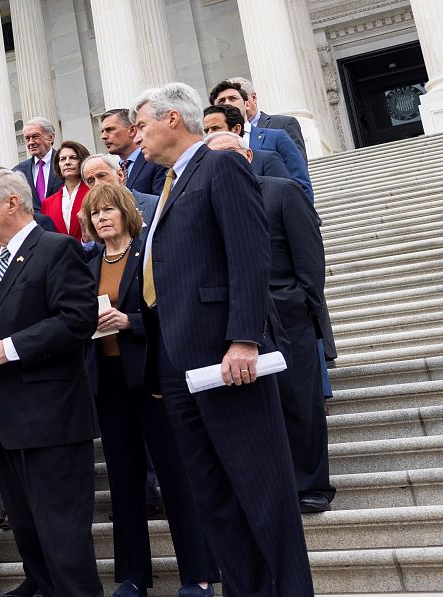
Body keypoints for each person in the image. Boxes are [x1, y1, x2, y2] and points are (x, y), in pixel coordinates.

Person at [134, 83, 314, 595]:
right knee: (212, 494)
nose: (136, 136)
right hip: (179, 361)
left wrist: (244, 338)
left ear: (172, 119)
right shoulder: (171, 181)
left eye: (142, 124)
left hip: (226, 354)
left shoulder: (220, 166)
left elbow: (248, 254)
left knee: (261, 490)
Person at [0, 170, 101, 597]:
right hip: (9, 425)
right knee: (30, 540)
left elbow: (79, 320)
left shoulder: (56, 249)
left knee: (64, 542)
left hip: (52, 423)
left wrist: (10, 348)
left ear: (12, 203)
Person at [79, 184, 218, 597]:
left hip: (154, 378)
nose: (102, 217)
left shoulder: (150, 254)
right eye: (95, 212)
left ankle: (198, 573)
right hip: (109, 382)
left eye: (109, 210)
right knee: (123, 482)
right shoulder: (88, 266)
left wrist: (131, 323)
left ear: (126, 212)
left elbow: (172, 311)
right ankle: (132, 576)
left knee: (176, 478)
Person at [205, 131, 334, 513]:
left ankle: (311, 485)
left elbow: (311, 263)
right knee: (259, 410)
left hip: (287, 314)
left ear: (247, 155)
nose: (223, 164)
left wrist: (298, 304)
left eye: (229, 155)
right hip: (235, 319)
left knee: (300, 404)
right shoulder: (210, 203)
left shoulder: (281, 192)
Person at [204, 101, 312, 200]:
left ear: (236, 129)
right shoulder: (206, 169)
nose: (210, 134)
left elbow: (286, 197)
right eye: (206, 130)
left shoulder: (267, 159)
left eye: (215, 128)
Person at [215, 76, 307, 155]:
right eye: (222, 101)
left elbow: (298, 167)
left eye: (233, 98)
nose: (228, 104)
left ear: (253, 98)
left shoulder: (283, 125)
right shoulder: (218, 137)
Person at [99, 108, 166, 195]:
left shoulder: (157, 161)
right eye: (102, 131)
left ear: (132, 130)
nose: (103, 136)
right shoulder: (112, 169)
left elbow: (160, 203)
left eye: (110, 130)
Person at [82, 154, 159, 225]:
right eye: (90, 181)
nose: (97, 184)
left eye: (101, 176)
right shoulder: (89, 215)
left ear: (120, 175)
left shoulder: (154, 204)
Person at [40, 140, 90, 239]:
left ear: (83, 161)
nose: (67, 162)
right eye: (62, 159)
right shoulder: (47, 203)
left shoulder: (93, 193)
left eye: (73, 158)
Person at [12, 118, 60, 200]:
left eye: (35, 136)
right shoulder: (18, 171)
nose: (30, 142)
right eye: (27, 138)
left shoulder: (65, 163)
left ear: (50, 138)